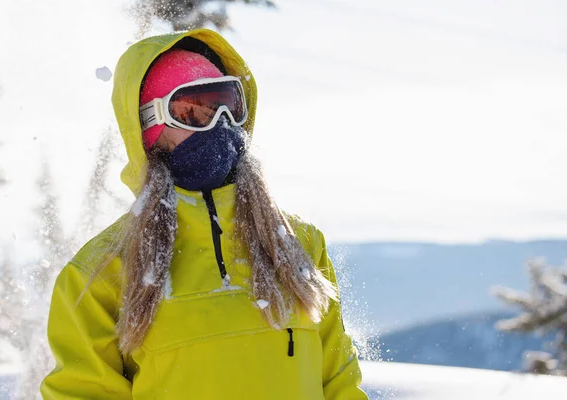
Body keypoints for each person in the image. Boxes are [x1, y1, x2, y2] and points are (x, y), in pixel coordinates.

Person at [40, 28, 368, 399]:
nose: (221, 124)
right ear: (149, 127)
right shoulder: (101, 273)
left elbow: (339, 382)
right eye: (194, 111)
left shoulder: (297, 244)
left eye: (229, 105)